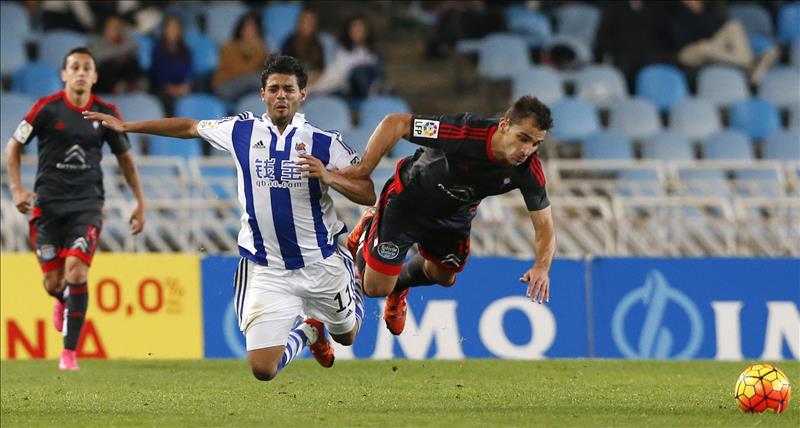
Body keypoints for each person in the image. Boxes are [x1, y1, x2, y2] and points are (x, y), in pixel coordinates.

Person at [83, 55, 375, 381]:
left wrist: (329, 177)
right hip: (268, 269)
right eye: (274, 88)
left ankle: (333, 299)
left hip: (321, 263)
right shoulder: (241, 131)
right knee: (263, 369)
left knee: (347, 335)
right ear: (262, 94)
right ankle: (310, 333)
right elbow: (190, 127)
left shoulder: (325, 143)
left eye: (289, 89)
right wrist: (126, 126)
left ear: (302, 94)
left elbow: (367, 191)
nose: (281, 95)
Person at [342, 96, 556, 336]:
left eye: (536, 144)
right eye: (523, 138)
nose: (527, 150)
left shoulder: (528, 170)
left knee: (444, 277)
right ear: (504, 125)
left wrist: (541, 266)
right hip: (408, 202)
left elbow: (545, 225)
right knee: (374, 287)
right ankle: (370, 226)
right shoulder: (464, 132)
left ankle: (399, 288)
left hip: (453, 218)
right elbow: (396, 123)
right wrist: (364, 169)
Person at [5, 47, 146, 370]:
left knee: (77, 271)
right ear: (64, 74)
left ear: (95, 76)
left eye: (87, 68)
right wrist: (16, 188)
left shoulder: (106, 113)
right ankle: (62, 299)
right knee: (53, 282)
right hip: (48, 207)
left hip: (88, 205)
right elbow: (13, 146)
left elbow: (125, 159)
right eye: (75, 67)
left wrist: (140, 201)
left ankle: (69, 353)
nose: (81, 72)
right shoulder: (46, 109)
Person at [310, 15, 385, 102]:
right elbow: (343, 73)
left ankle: (381, 90)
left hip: (370, 81)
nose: (358, 32)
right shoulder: (342, 50)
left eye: (361, 29)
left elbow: (376, 71)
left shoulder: (371, 51)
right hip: (349, 86)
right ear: (349, 32)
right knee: (358, 71)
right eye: (355, 29)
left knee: (374, 67)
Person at [212, 13, 269, 103]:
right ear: (240, 29)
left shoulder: (260, 48)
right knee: (255, 79)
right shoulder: (229, 47)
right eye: (246, 28)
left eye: (253, 29)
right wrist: (257, 52)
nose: (249, 32)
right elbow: (240, 71)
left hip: (246, 88)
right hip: (224, 87)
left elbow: (265, 69)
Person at [150, 15, 193, 115]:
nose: (174, 31)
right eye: (171, 28)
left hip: (181, 88)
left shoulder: (186, 50)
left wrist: (185, 87)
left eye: (177, 28)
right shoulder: (157, 50)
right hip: (162, 89)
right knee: (166, 100)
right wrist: (171, 88)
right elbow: (157, 74)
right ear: (165, 30)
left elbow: (189, 73)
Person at [90, 16, 142, 94]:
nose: (114, 30)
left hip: (119, 75)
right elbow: (99, 57)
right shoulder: (97, 42)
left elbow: (135, 46)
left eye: (117, 27)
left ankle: (131, 85)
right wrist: (118, 55)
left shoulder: (124, 41)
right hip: (101, 79)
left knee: (132, 62)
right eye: (111, 27)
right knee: (108, 65)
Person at [281, 10, 325, 86]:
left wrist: (316, 75)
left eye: (312, 22)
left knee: (336, 75)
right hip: (295, 80)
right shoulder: (289, 42)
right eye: (307, 22)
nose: (310, 25)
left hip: (315, 82)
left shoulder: (318, 43)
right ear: (299, 23)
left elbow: (321, 69)